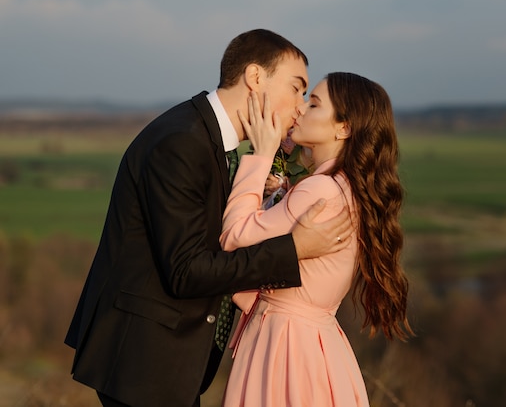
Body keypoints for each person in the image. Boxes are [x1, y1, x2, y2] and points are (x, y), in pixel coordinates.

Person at [64, 29, 355, 407]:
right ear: (254, 78)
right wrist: (293, 248)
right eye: (297, 88)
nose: (300, 106)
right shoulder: (181, 142)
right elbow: (187, 270)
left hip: (169, 364)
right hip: (143, 361)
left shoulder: (213, 142)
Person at [220, 72, 414, 406]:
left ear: (344, 127)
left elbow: (234, 239)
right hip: (315, 344)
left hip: (284, 347)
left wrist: (261, 156)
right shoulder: (347, 188)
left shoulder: (320, 189)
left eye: (314, 104)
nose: (300, 109)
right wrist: (277, 199)